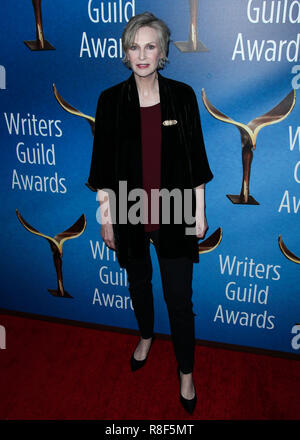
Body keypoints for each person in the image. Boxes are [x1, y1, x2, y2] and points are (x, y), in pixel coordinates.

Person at [88, 12, 213, 415]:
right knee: (139, 286)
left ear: (162, 52)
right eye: (133, 46)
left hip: (175, 213)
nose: (141, 54)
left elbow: (196, 160)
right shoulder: (110, 101)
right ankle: (145, 335)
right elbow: (103, 166)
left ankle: (186, 373)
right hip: (127, 212)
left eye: (150, 46)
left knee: (179, 299)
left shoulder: (183, 95)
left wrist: (200, 212)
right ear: (125, 53)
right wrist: (106, 216)